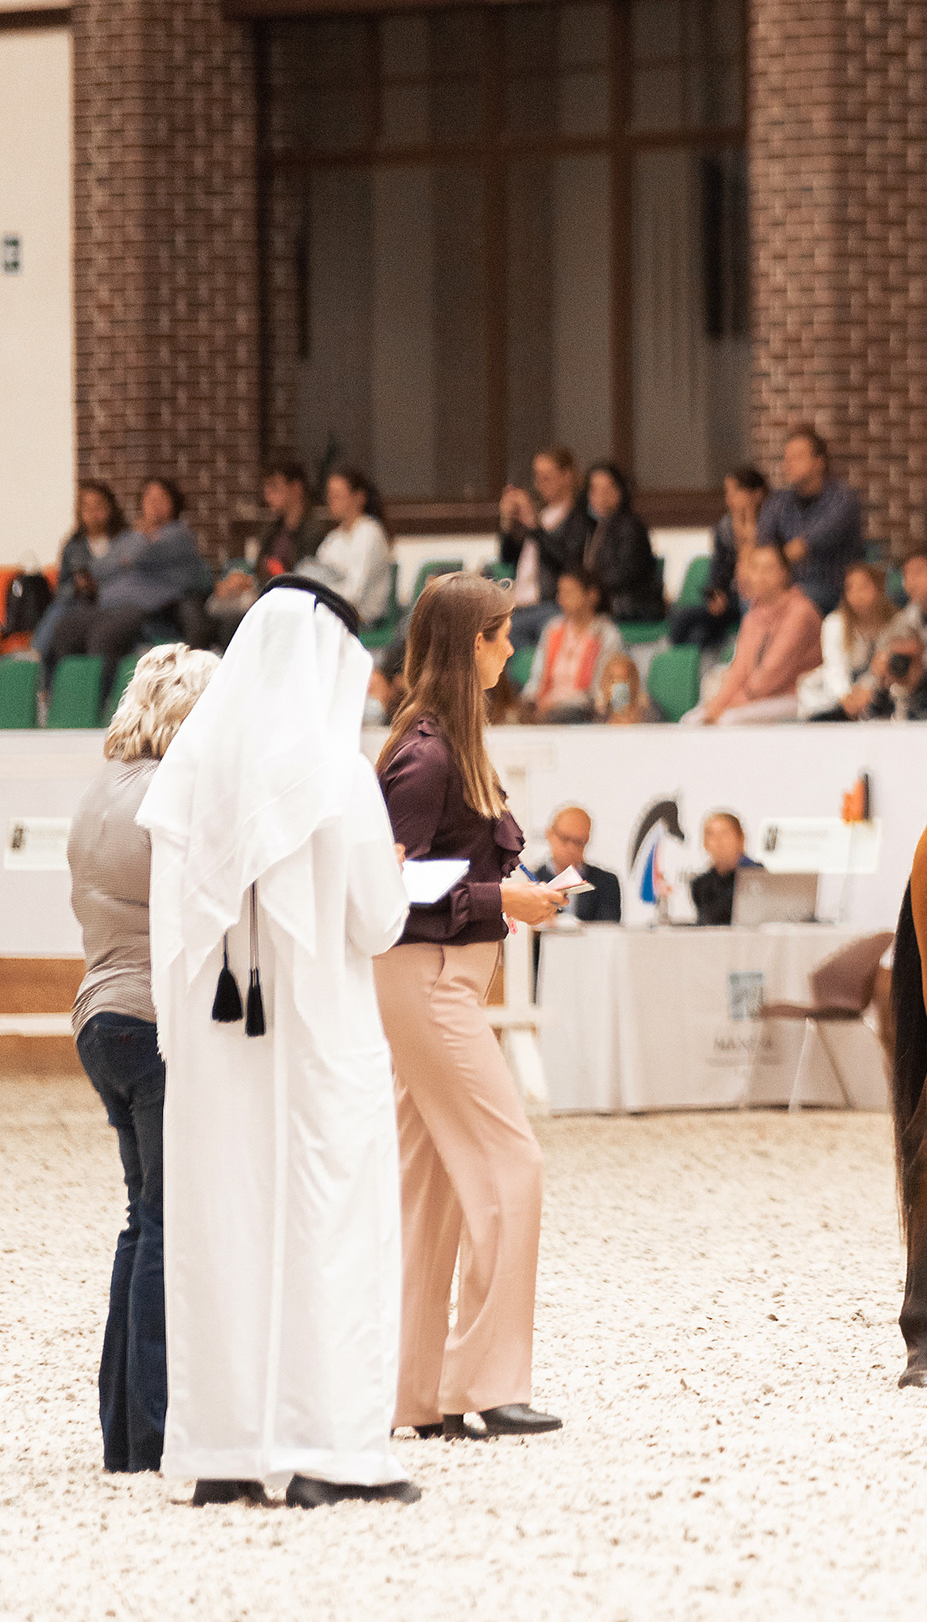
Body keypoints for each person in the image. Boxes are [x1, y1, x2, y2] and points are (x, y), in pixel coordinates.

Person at [137, 576, 419, 1506]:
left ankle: (222, 1451)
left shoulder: (189, 770)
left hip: (215, 1060)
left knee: (224, 1233)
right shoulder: (334, 771)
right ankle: (326, 1451)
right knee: (329, 1231)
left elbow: (169, 926)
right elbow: (377, 922)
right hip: (317, 1047)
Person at [374, 573, 569, 1445]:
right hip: (430, 975)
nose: (512, 650)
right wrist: (505, 903)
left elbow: (444, 867)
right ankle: (490, 1380)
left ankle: (422, 1393)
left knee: (438, 1182)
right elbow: (392, 886)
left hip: (441, 974)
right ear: (470, 645)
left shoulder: (449, 742)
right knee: (509, 1158)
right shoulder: (426, 755)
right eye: (502, 637)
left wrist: (513, 891)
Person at [67, 643, 220, 1475]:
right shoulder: (173, 797)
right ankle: (155, 1428)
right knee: (166, 1224)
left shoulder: (100, 791)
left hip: (99, 1017)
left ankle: (123, 1427)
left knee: (142, 1219)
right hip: (155, 1020)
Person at [46, 479, 210, 679]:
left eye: (161, 499)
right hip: (107, 604)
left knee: (103, 637)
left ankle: (104, 702)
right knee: (65, 629)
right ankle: (63, 694)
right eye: (149, 499)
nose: (154, 505)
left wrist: (132, 550)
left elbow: (144, 556)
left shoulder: (178, 534)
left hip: (146, 609)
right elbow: (98, 568)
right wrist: (127, 554)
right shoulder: (132, 536)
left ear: (173, 504)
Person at [689, 544, 822, 725]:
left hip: (795, 696)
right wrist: (717, 704)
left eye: (768, 568)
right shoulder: (752, 615)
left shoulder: (800, 612)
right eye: (755, 568)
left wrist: (729, 706)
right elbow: (739, 669)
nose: (760, 575)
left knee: (728, 721)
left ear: (785, 573)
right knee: (692, 720)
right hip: (756, 697)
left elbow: (772, 673)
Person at [206, 462, 328, 647]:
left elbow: (309, 575)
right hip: (267, 595)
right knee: (212, 616)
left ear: (296, 488)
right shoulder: (273, 529)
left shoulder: (314, 530)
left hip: (294, 601)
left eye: (275, 488)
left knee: (234, 624)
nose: (268, 494)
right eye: (267, 488)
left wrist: (273, 578)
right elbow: (259, 568)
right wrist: (242, 580)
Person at [757, 423, 865, 615]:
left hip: (832, 589)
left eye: (797, 457)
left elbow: (803, 547)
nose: (788, 464)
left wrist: (772, 564)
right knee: (753, 594)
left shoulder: (842, 500)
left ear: (819, 462)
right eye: (786, 458)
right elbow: (763, 548)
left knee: (797, 600)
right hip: (789, 586)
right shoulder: (778, 502)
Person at [497, 446, 593, 651]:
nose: (539, 485)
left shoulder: (579, 517)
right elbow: (507, 557)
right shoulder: (541, 512)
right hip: (521, 603)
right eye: (537, 477)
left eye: (546, 478)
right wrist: (508, 521)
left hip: (552, 604)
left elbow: (569, 562)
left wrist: (534, 527)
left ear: (566, 476)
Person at [667, 466, 768, 649]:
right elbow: (719, 568)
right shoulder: (724, 527)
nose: (730, 499)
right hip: (730, 598)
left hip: (757, 597)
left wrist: (745, 535)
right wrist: (717, 593)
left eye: (737, 491)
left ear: (757, 493)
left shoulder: (770, 523)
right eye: (727, 492)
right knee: (685, 621)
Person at [34, 482, 128, 664]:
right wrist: (77, 586)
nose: (93, 514)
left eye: (99, 507)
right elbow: (61, 590)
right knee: (58, 611)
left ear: (110, 508)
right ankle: (37, 661)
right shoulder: (73, 546)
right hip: (79, 603)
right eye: (87, 508)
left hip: (112, 602)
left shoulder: (124, 541)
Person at [799, 562, 901, 721]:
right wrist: (846, 697)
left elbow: (882, 667)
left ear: (879, 588)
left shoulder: (896, 623)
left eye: (863, 587)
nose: (857, 594)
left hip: (876, 696)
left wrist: (867, 691)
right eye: (850, 588)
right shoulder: (835, 623)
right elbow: (834, 667)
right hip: (838, 700)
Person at [522, 568, 624, 724]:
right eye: (560, 592)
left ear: (592, 595)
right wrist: (529, 701)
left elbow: (599, 691)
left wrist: (556, 705)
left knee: (561, 715)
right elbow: (536, 677)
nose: (561, 599)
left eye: (568, 592)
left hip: (583, 709)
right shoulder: (553, 628)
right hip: (546, 704)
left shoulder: (606, 634)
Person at [297, 468, 395, 627]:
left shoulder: (369, 533)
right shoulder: (333, 538)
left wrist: (322, 592)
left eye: (337, 496)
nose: (331, 501)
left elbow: (354, 592)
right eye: (329, 496)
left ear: (358, 498)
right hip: (332, 611)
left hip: (362, 619)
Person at [579, 461, 665, 624]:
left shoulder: (630, 525)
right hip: (606, 601)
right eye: (594, 490)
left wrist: (589, 590)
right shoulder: (592, 526)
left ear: (619, 490)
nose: (600, 496)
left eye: (606, 489)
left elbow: (625, 572)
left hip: (632, 604)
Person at [849, 624, 927, 722]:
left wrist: (911, 691)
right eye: (898, 659)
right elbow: (867, 730)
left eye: (911, 659)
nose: (904, 665)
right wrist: (879, 686)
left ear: (921, 657)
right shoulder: (882, 692)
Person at [533, 804, 620, 924]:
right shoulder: (532, 881)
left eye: (579, 842)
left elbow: (608, 931)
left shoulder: (606, 882)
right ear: (549, 834)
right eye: (565, 839)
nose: (571, 848)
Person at [688, 810, 765, 926]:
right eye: (711, 834)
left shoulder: (759, 875)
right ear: (705, 843)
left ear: (740, 838)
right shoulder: (701, 884)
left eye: (725, 833)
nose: (718, 840)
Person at [597, 652, 660, 725]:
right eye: (613, 681)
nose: (619, 685)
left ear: (634, 682)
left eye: (624, 680)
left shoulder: (648, 712)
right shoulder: (600, 715)